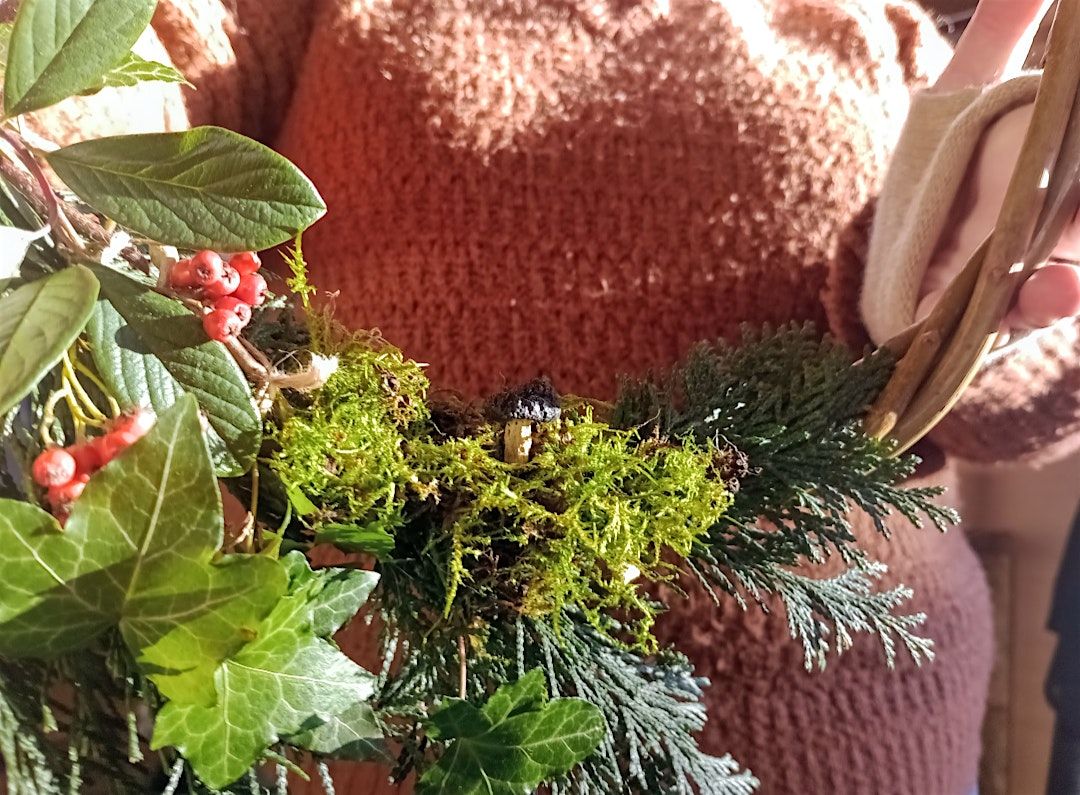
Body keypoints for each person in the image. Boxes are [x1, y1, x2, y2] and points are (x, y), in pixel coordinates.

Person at [34, 0, 1080, 791]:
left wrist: (962, 304)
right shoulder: (319, 15)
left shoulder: (877, 32)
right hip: (388, 696)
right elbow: (136, 94)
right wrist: (40, 115)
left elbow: (1012, 398)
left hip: (832, 708)